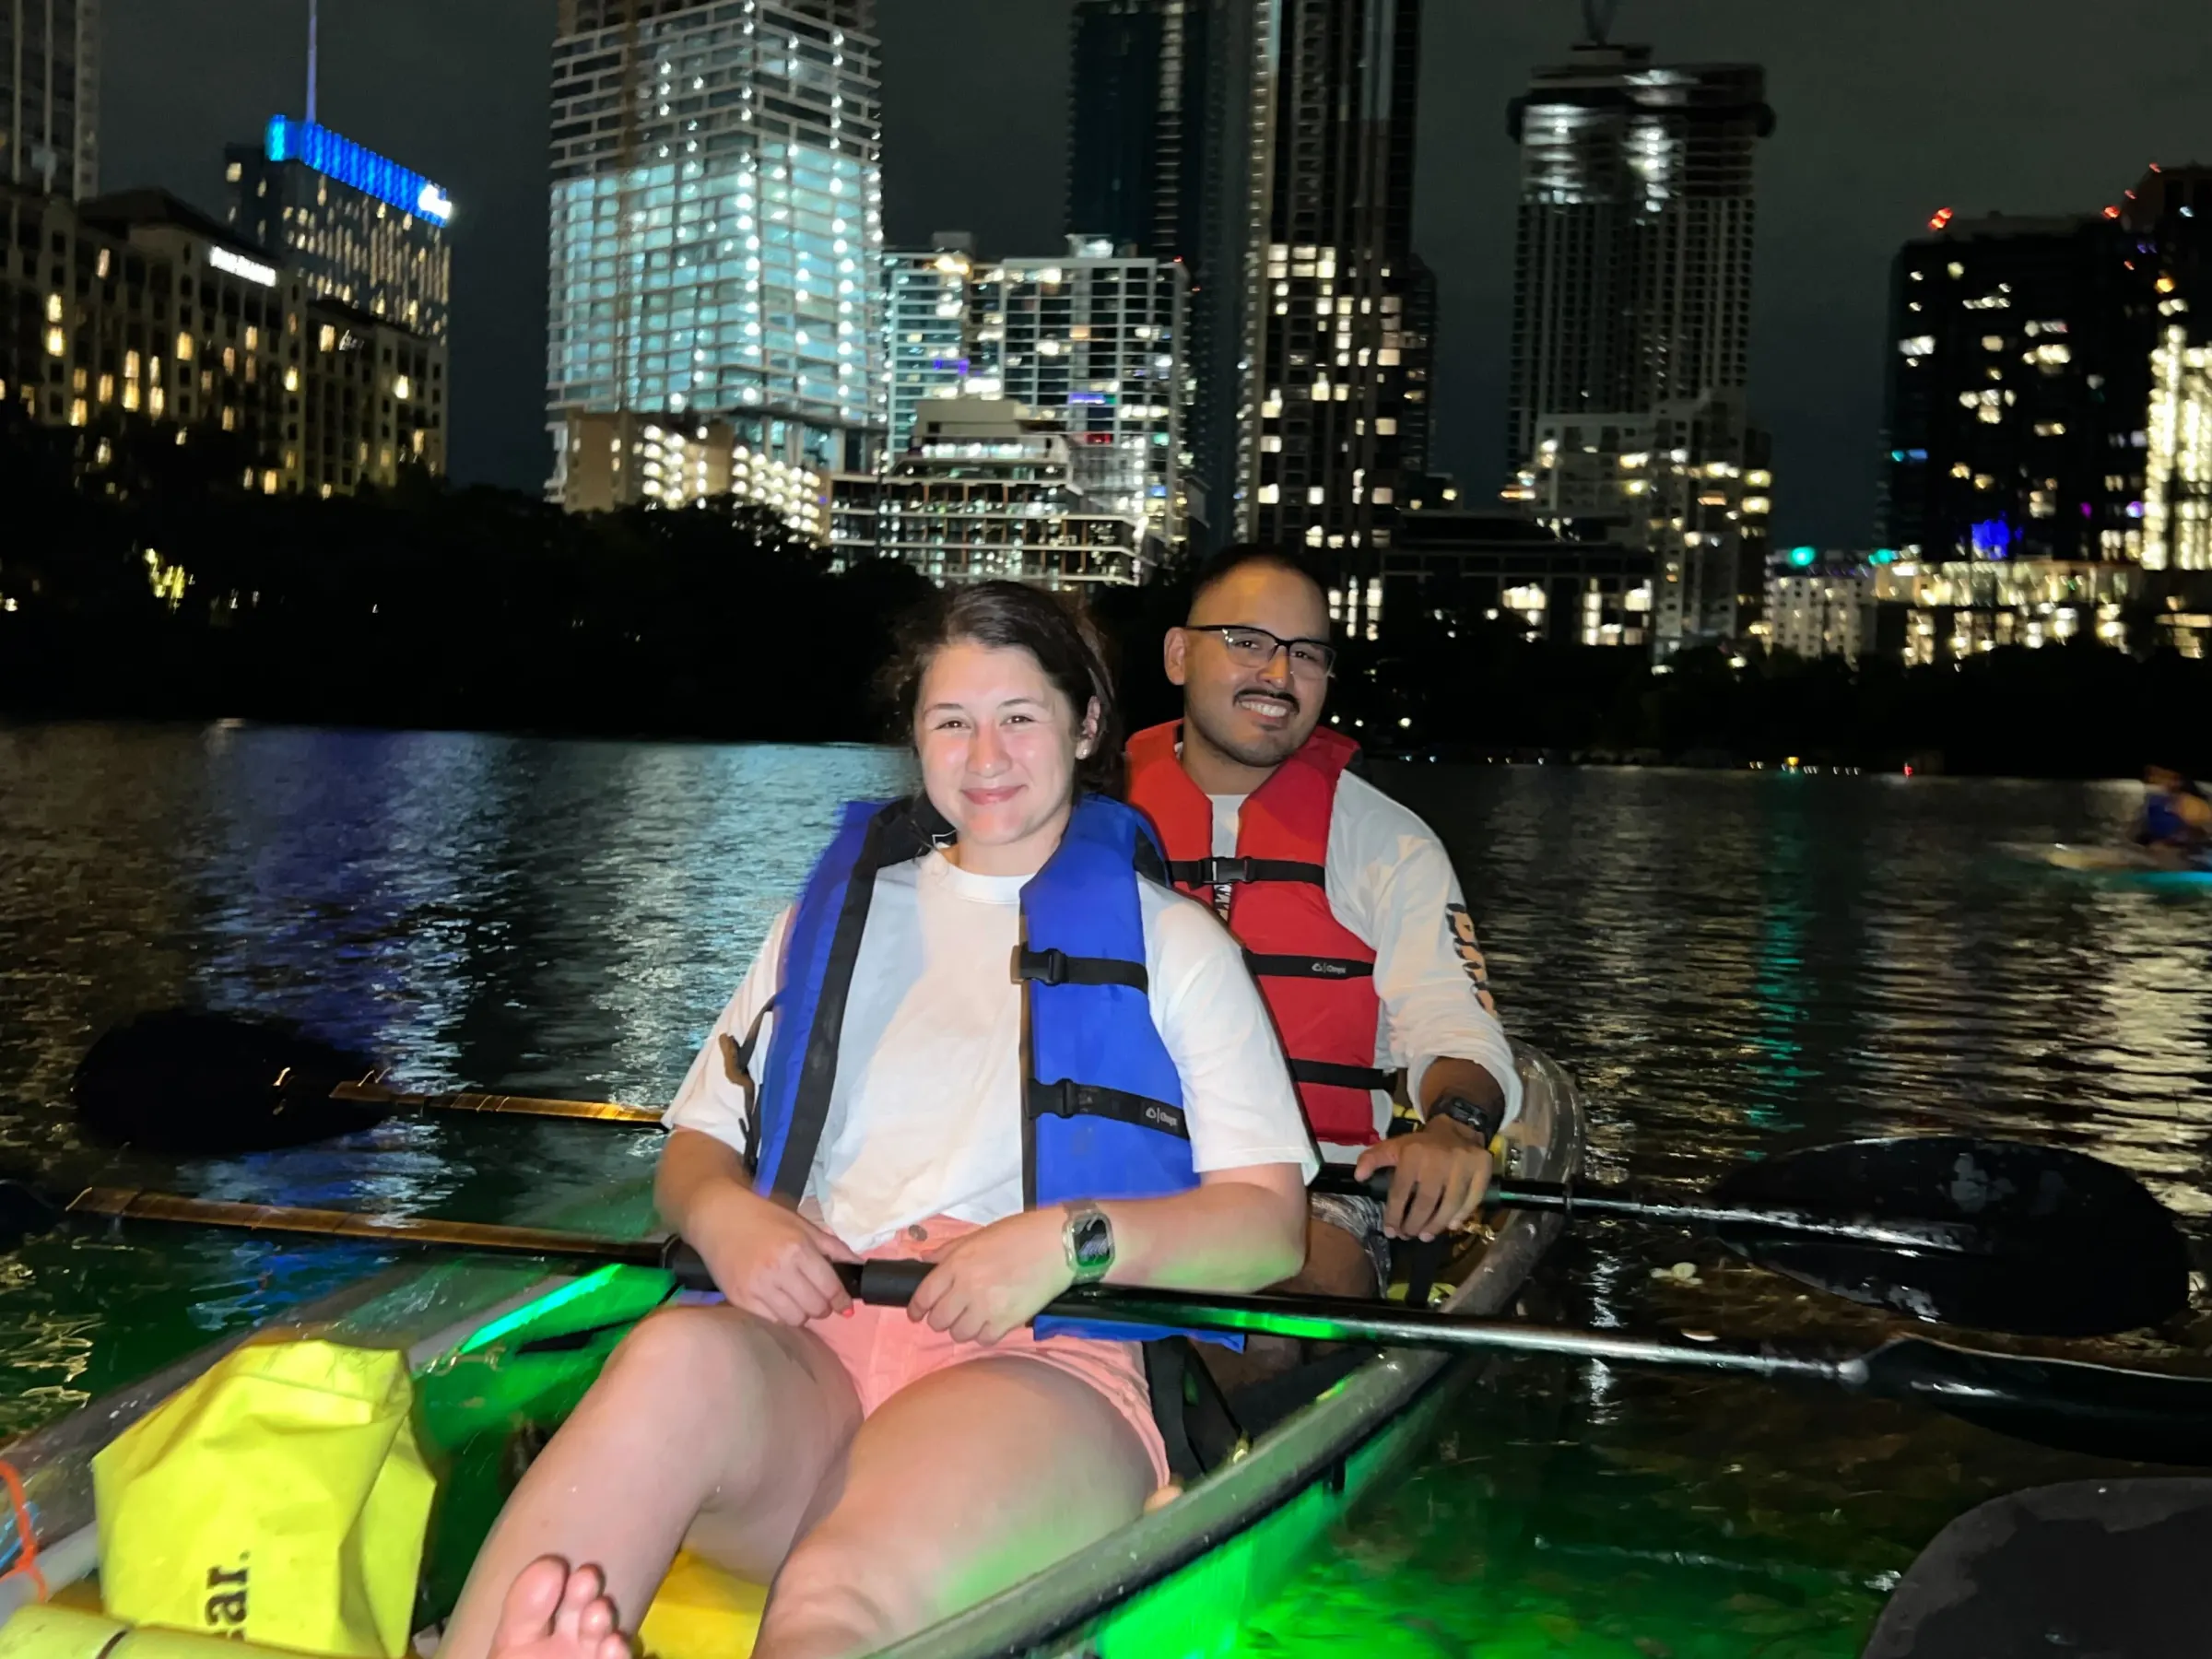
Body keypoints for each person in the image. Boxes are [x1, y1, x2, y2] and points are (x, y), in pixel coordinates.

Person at [439, 582, 1313, 1659]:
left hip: (1041, 1354)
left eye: (1020, 717)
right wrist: (726, 1217)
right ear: (915, 735)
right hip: (819, 1329)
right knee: (673, 1357)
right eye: (952, 721)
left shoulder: (1177, 946)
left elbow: (1270, 1226)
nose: (984, 755)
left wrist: (1067, 1238)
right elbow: (697, 1150)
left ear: (1086, 725)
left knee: (834, 1600)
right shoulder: (825, 922)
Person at [1125, 546, 1519, 1377]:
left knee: (1260, 1322)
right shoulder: (1082, 816)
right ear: (1176, 654)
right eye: (1246, 641)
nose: (1279, 673)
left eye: (1307, 654)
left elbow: (1459, 1031)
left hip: (1321, 1192)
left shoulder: (1388, 844)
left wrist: (1456, 1127)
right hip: (1118, 1170)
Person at [2134, 764, 2212, 865]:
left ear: (2177, 780)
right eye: (2149, 775)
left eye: (2159, 776)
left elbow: (2199, 838)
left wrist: (2166, 844)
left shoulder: (2192, 805)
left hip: (2187, 857)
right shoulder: (2157, 802)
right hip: (2156, 853)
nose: (2151, 780)